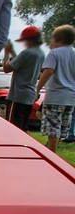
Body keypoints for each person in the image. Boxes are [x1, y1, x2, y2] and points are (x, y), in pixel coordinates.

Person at [36, 25, 75, 153]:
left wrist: (37, 89)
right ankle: (53, 151)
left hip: (55, 96)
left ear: (57, 39)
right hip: (70, 98)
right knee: (61, 128)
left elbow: (48, 71)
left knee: (52, 128)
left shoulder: (54, 53)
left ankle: (52, 156)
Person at [2, 26, 45, 131]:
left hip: (18, 95)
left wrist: (6, 52)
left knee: (12, 127)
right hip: (29, 94)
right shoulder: (40, 53)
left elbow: (6, 68)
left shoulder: (27, 52)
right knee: (22, 126)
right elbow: (20, 64)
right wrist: (12, 52)